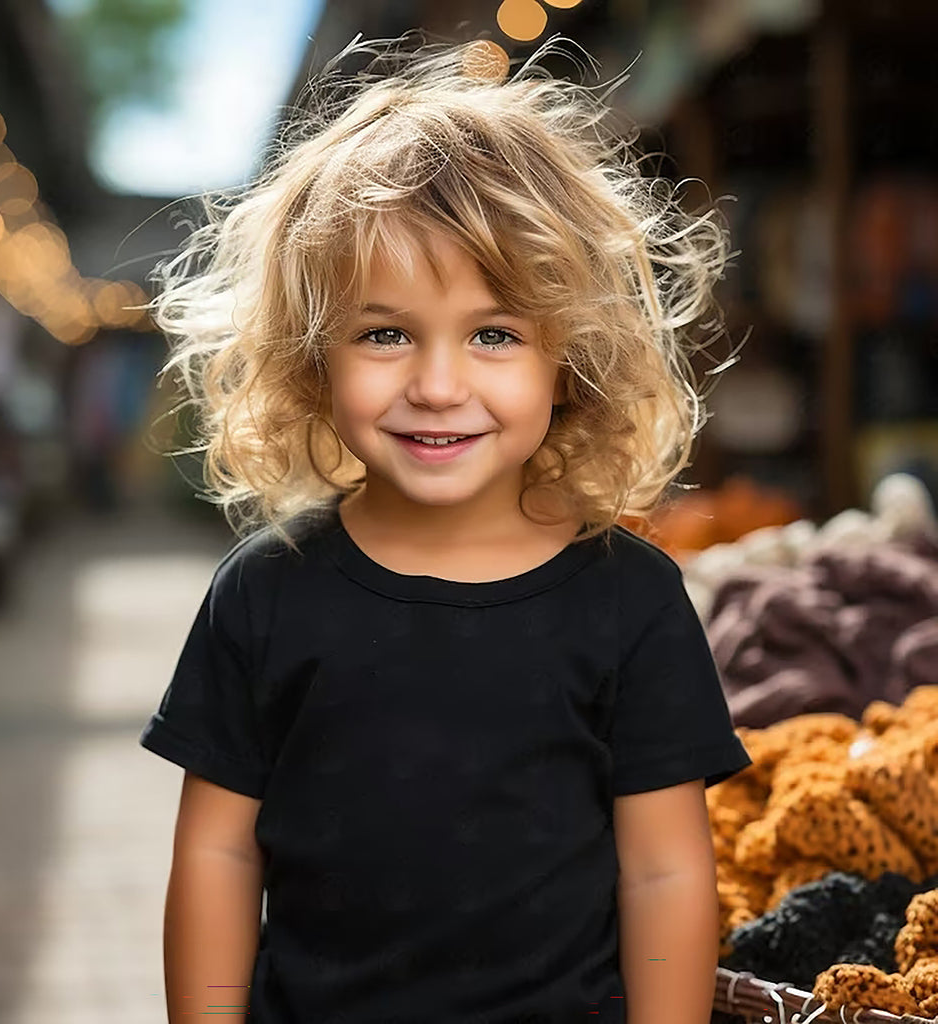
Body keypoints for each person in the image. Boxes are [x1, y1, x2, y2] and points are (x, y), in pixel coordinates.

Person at [139, 34, 753, 1024]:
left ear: (569, 359)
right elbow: (216, 854)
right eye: (385, 333)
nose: (435, 384)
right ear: (310, 356)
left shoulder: (631, 601)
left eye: (493, 334)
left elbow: (665, 873)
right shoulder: (263, 593)